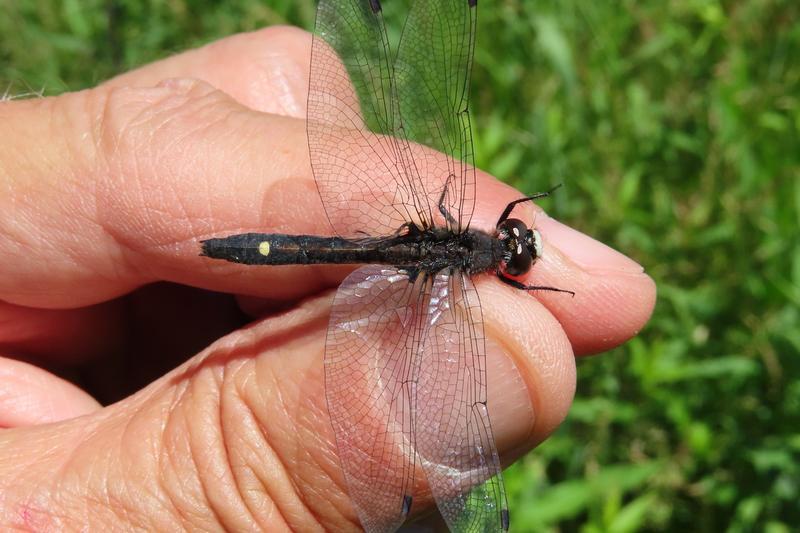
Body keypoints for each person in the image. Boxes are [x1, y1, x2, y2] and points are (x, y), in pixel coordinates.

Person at [0, 26, 655, 531]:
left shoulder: (462, 242)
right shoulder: (474, 273)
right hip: (298, 247)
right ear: (499, 245)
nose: (515, 239)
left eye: (515, 248)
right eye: (515, 240)